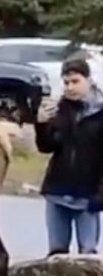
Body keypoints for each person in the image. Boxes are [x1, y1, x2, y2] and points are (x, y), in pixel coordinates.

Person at [34, 58, 103, 256]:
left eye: (75, 81)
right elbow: (47, 146)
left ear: (88, 81)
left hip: (87, 194)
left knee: (88, 254)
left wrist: (100, 194)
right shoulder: (61, 109)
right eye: (66, 83)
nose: (70, 87)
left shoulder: (100, 113)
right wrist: (41, 124)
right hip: (58, 190)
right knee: (57, 253)